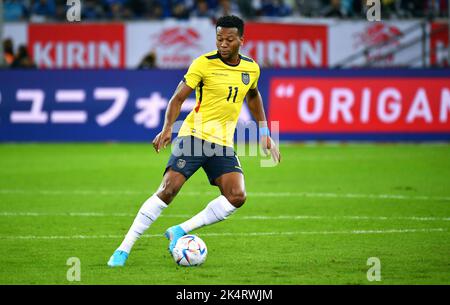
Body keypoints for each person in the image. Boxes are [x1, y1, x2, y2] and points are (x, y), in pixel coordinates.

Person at [107, 15, 281, 267]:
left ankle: (180, 229)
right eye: (219, 38)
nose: (223, 44)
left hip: (222, 143)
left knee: (237, 196)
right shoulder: (203, 64)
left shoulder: (251, 68)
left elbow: (253, 96)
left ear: (242, 40)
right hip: (194, 137)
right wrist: (167, 128)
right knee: (168, 190)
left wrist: (264, 132)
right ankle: (123, 249)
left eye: (229, 40)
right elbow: (177, 99)